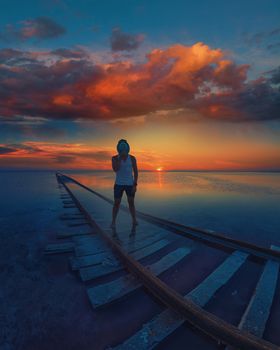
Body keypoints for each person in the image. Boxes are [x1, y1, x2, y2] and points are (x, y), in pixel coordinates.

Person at [111, 139, 138, 228]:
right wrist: (119, 159)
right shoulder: (114, 158)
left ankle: (134, 220)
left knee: (131, 203)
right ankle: (113, 222)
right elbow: (116, 169)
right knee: (116, 203)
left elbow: (136, 172)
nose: (123, 149)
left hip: (130, 184)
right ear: (118, 148)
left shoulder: (132, 158)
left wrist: (135, 184)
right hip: (119, 184)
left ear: (127, 148)